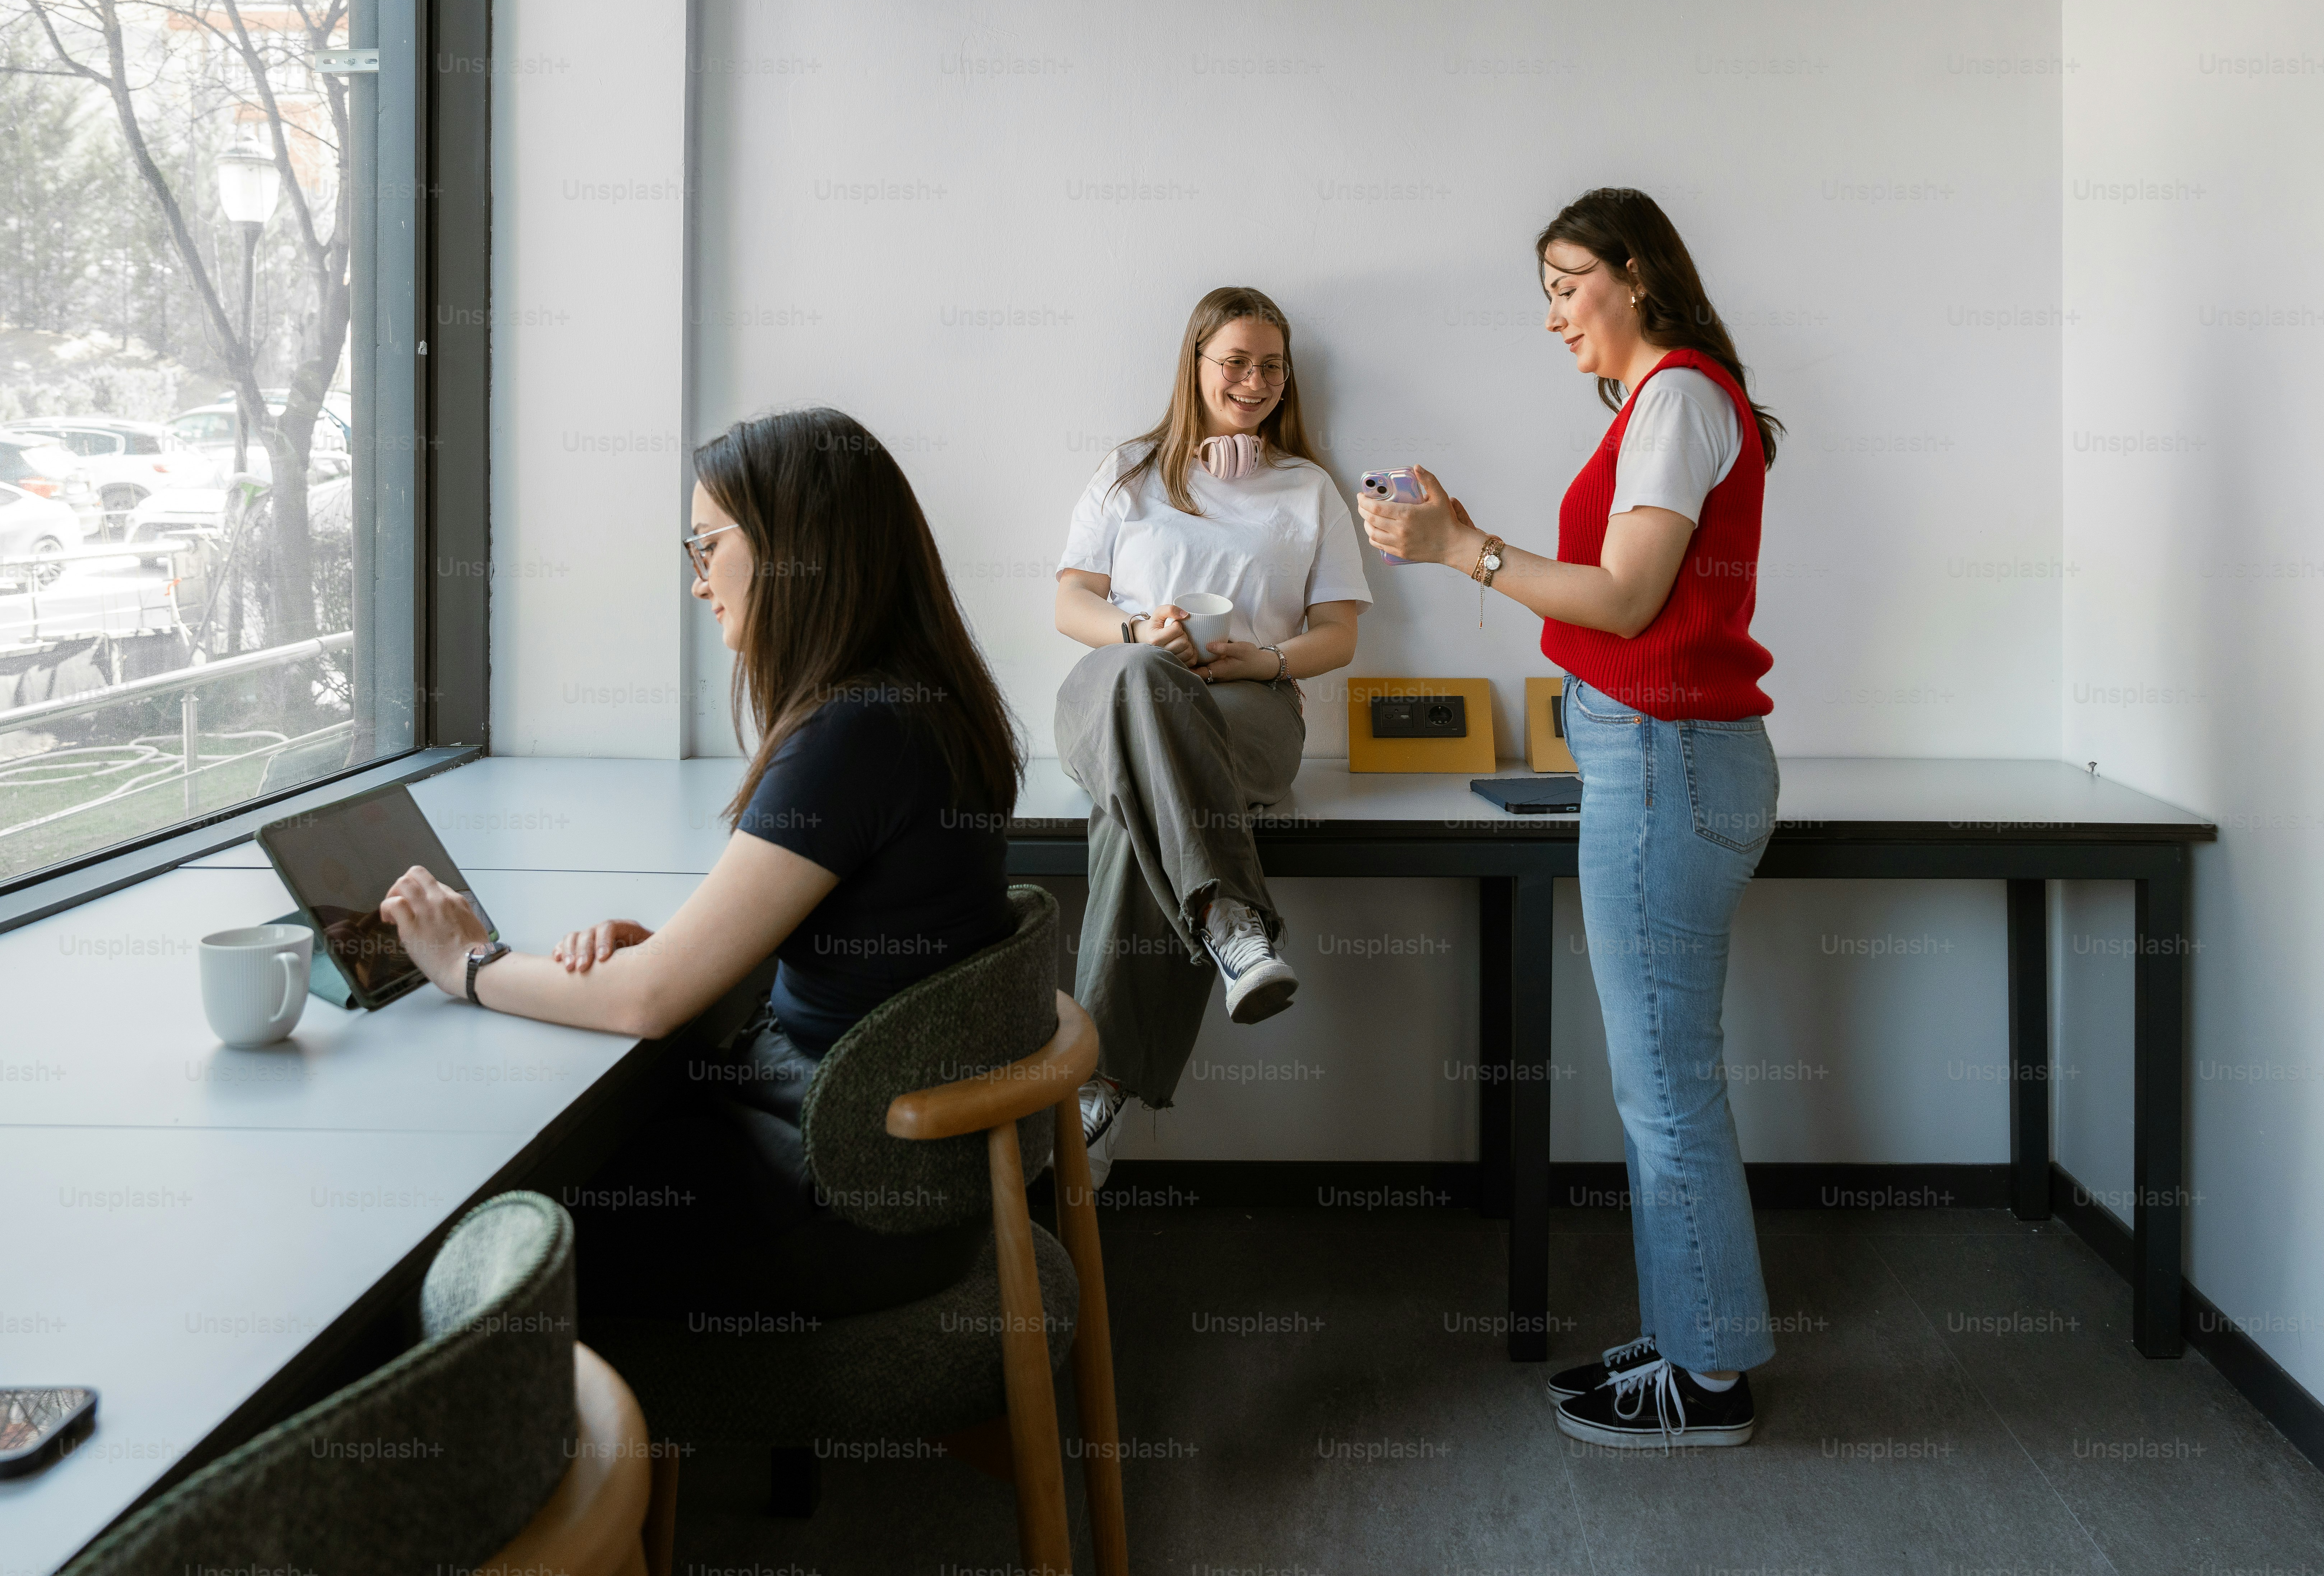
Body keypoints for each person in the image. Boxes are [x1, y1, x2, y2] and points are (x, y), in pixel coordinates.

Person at [381, 406, 1024, 1311]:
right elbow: (842, 937)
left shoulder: (854, 735)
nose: (698, 581)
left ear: (794, 549)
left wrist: (469, 962)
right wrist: (684, 948)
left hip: (839, 1191)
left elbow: (647, 1001)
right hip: (876, 1160)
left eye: (706, 545)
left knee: (481, 1260)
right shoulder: (915, 708)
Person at [1358, 189, 1786, 1450]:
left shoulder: (1677, 400)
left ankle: (1708, 1382)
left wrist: (1461, 547)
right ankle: (1686, 1347)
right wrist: (1456, 540)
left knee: (1662, 1087)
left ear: (1636, 273)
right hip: (1658, 759)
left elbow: (1622, 595)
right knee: (1658, 1078)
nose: (1551, 317)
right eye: (1542, 290)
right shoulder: (1672, 404)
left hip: (1666, 765)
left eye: (1564, 283)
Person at [1052, 286, 1372, 1170]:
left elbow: (1340, 634)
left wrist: (1263, 661)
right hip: (1114, 685)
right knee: (1141, 686)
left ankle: (1098, 1087)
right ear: (1195, 363)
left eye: (1272, 365)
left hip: (1248, 707)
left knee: (1135, 805)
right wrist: (1133, 634)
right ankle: (1230, 919)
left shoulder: (1309, 489)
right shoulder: (1128, 471)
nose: (1256, 379)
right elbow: (1069, 599)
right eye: (1236, 360)